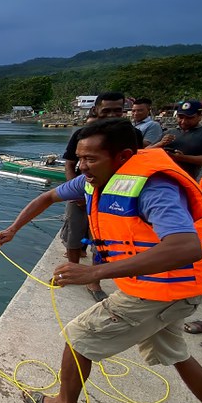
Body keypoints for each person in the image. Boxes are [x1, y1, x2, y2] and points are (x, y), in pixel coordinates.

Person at [0, 117, 202, 403]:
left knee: (79, 336)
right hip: (170, 290)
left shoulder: (155, 189)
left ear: (122, 157)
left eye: (90, 158)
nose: (81, 167)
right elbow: (47, 197)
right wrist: (12, 229)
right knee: (174, 352)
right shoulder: (96, 180)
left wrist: (95, 271)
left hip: (163, 291)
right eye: (79, 158)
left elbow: (186, 247)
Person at [59, 92, 129, 302]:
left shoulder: (129, 134)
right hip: (84, 191)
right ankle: (72, 271)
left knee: (102, 240)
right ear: (96, 110)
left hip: (117, 196)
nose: (112, 114)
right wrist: (75, 192)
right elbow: (71, 164)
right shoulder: (83, 134)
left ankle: (93, 279)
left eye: (117, 109)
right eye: (106, 110)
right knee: (74, 233)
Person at [151, 100, 202, 182]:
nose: (184, 121)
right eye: (180, 117)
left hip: (187, 181)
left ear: (200, 116)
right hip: (160, 178)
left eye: (189, 118)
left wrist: (183, 158)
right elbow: (145, 151)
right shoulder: (169, 132)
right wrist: (160, 143)